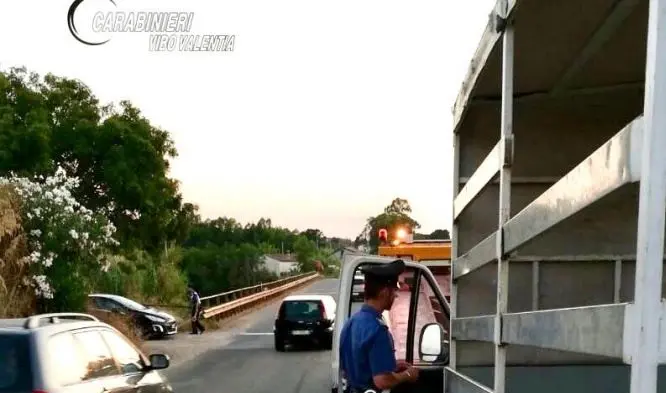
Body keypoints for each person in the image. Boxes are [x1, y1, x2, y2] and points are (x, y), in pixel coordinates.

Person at [339, 259, 419, 393]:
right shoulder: (377, 330)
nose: (395, 295)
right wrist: (408, 375)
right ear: (385, 292)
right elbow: (382, 381)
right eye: (394, 291)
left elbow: (358, 363)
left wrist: (389, 365)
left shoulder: (352, 321)